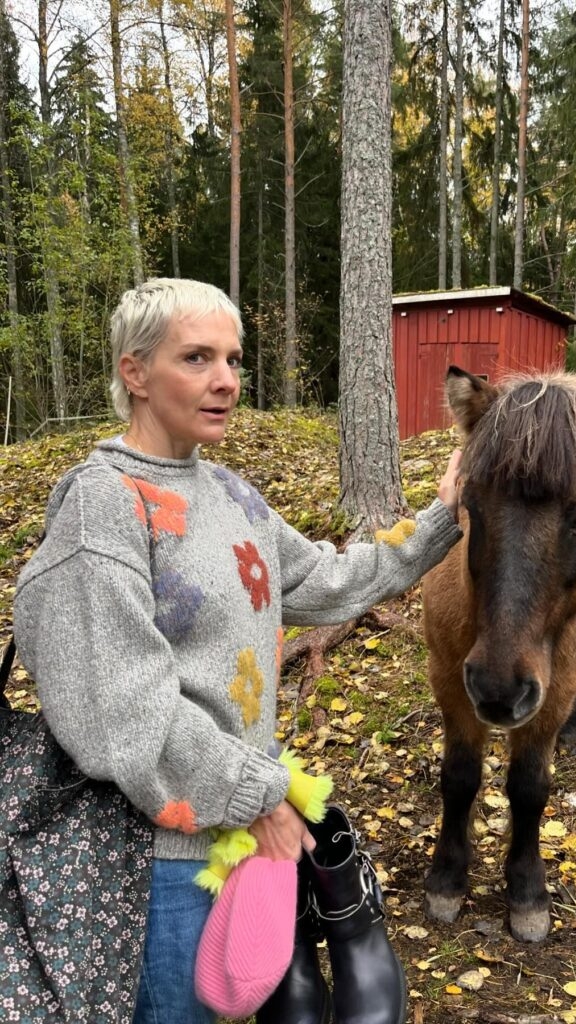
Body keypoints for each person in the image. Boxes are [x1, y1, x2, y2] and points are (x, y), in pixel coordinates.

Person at [12, 277, 462, 1024]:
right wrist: (261, 798)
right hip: (149, 872)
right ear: (135, 373)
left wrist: (442, 519)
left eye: (232, 358)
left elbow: (325, 579)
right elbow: (127, 710)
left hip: (234, 845)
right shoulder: (103, 507)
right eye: (196, 358)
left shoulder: (225, 491)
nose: (225, 381)